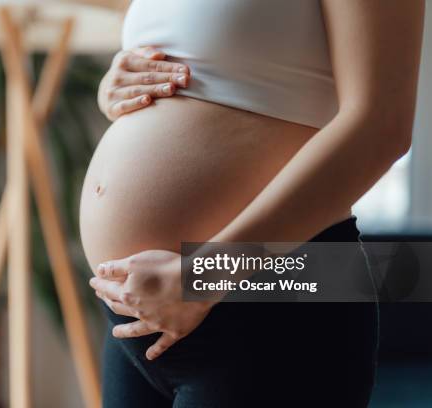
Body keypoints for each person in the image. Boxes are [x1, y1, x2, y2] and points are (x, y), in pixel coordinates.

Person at [79, 0, 425, 406]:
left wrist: (205, 273)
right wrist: (116, 90)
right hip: (139, 316)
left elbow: (381, 127)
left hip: (274, 302)